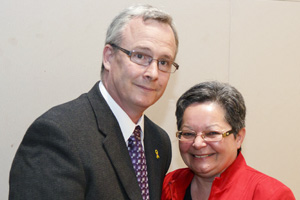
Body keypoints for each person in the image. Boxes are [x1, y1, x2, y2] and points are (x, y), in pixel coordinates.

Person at [9, 4, 179, 200]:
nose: (153, 73)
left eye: (164, 62)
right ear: (108, 57)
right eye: (140, 56)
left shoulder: (159, 141)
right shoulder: (59, 134)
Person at [161, 81, 295, 200]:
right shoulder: (168, 184)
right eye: (188, 133)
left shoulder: (270, 194)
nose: (198, 143)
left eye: (212, 133)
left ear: (238, 137)